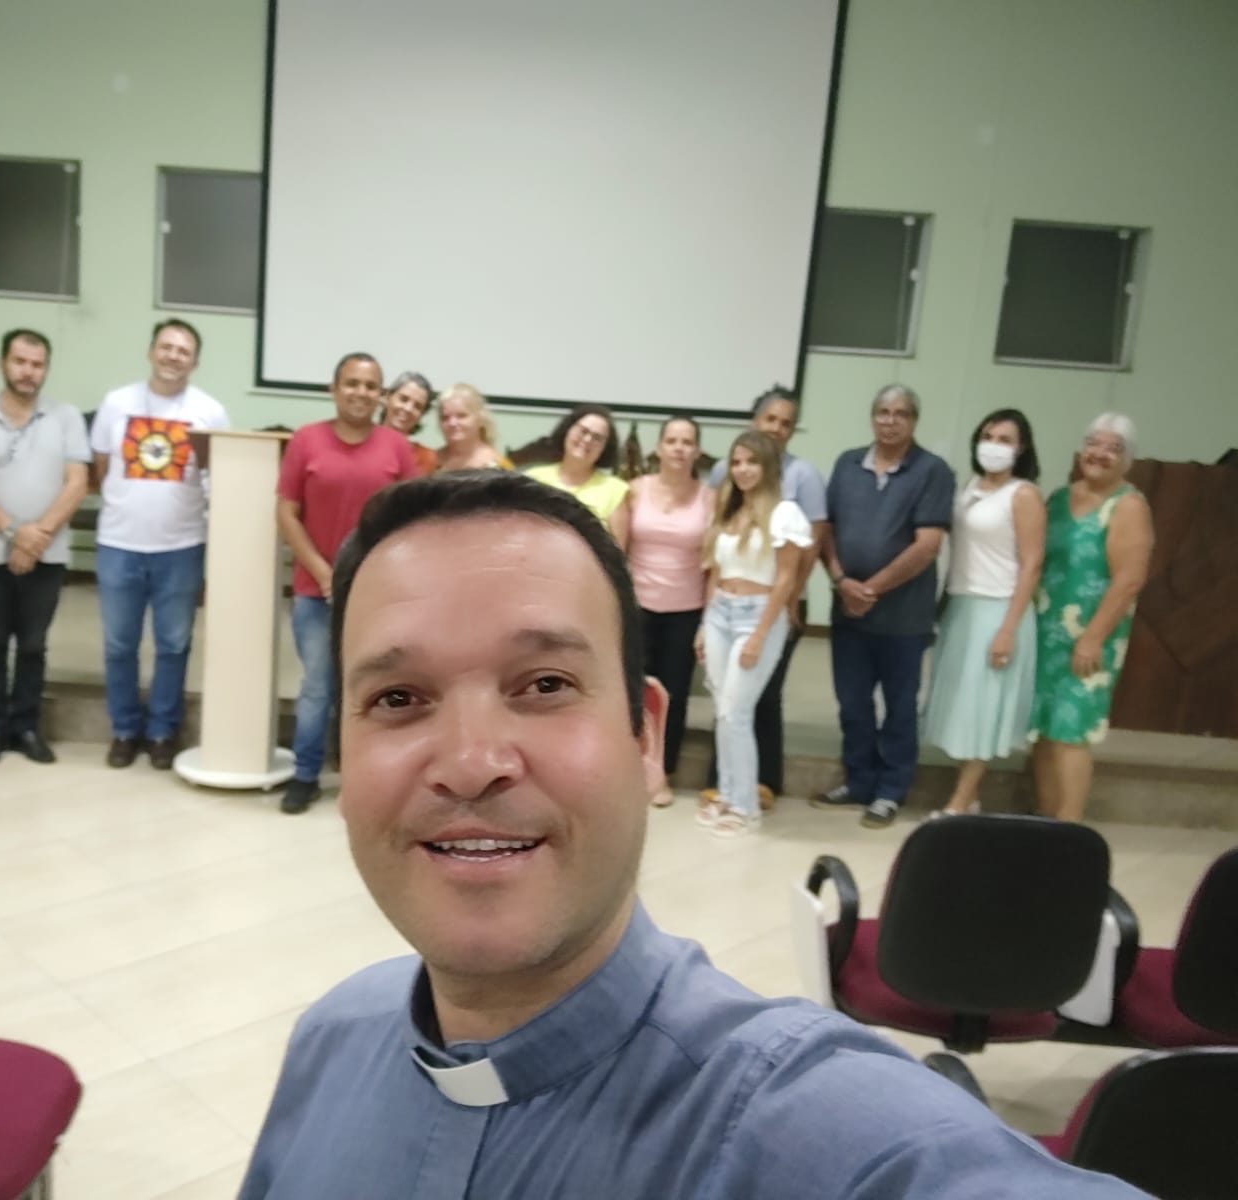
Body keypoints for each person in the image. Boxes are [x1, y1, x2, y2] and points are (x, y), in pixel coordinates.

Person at [237, 470, 1147, 1200]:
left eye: (545, 684)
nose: (472, 763)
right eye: (398, 699)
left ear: (645, 735)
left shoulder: (809, 1131)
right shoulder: (331, 1043)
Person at [275, 351, 417, 815]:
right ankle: (305, 775)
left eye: (370, 385)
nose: (360, 392)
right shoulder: (306, 440)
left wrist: (371, 576)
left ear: (381, 396)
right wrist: (322, 570)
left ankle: (367, 783)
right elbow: (286, 512)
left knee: (373, 689)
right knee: (317, 686)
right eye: (351, 383)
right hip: (317, 593)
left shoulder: (396, 447)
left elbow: (407, 523)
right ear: (333, 390)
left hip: (377, 596)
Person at [90, 318, 231, 769]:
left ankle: (162, 732)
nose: (173, 356)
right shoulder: (116, 404)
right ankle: (124, 730)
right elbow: (99, 468)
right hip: (119, 544)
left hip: (181, 546)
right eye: (166, 347)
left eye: (183, 351)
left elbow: (222, 478)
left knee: (173, 646)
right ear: (151, 351)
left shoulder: (209, 411)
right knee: (119, 646)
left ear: (195, 361)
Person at [0, 329, 90, 768]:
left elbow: (77, 482)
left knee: (32, 645)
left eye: (37, 364)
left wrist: (37, 535)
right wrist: (15, 532)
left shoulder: (65, 417)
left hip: (46, 552)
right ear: (2, 364)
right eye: (20, 361)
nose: (28, 372)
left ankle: (26, 728)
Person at [815, 384, 955, 829]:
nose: (890, 421)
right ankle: (859, 781)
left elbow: (927, 546)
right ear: (871, 417)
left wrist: (868, 590)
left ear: (914, 421)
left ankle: (891, 791)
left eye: (900, 414)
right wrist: (840, 581)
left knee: (898, 707)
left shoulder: (932, 471)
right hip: (847, 614)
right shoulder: (847, 463)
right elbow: (827, 531)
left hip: (902, 620)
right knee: (852, 704)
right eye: (882, 412)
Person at [701, 385, 828, 809]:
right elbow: (715, 571)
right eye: (736, 462)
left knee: (738, 713)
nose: (742, 470)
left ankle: (745, 805)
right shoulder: (728, 509)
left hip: (757, 617)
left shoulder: (785, 512)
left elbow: (788, 578)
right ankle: (727, 793)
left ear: (768, 466)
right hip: (720, 613)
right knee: (724, 710)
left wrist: (758, 633)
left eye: (752, 462)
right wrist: (704, 624)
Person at [1030, 414, 1153, 822]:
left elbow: (1129, 580)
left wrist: (1092, 637)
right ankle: (1047, 821)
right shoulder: (1060, 498)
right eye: (1093, 444)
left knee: (1073, 731)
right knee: (1045, 732)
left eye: (1113, 448)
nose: (1099, 453)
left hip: (1091, 638)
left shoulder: (1129, 505)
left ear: (1128, 460)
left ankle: (1070, 828)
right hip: (1047, 632)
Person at [921, 409, 1045, 815]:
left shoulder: (1022, 494)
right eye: (988, 435)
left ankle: (960, 802)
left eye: (1005, 439)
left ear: (1021, 448)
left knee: (982, 707)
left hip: (999, 609)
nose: (994, 444)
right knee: (961, 702)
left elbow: (1031, 564)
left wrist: (1008, 629)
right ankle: (967, 795)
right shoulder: (971, 487)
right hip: (963, 606)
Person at [624, 415, 712, 806]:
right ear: (658, 448)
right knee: (633, 690)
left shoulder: (710, 498)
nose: (679, 448)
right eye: (672, 440)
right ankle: (626, 770)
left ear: (696, 451)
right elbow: (618, 549)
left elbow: (714, 563)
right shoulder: (634, 491)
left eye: (687, 441)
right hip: (637, 605)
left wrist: (707, 622)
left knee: (673, 695)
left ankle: (662, 774)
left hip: (686, 608)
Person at [523, 404, 630, 547]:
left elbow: (618, 555)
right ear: (567, 430)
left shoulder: (615, 490)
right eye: (583, 431)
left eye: (597, 438)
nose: (587, 440)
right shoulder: (533, 478)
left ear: (605, 449)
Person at [433, 383, 511, 472]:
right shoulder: (429, 462)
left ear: (480, 419)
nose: (452, 423)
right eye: (445, 418)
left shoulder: (499, 466)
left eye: (461, 416)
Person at [379, 370, 439, 475]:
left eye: (417, 406)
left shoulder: (427, 458)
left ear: (422, 415)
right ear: (388, 397)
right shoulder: (360, 442)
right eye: (403, 399)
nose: (408, 408)